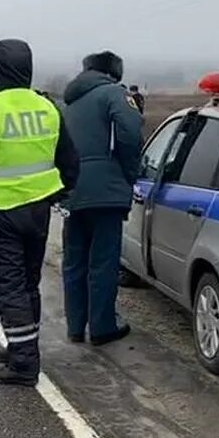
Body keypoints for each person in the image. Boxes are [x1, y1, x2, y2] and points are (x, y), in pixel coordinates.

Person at [0, 39, 79, 387]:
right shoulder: (47, 106)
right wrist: (59, 192)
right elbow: (69, 160)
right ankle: (22, 345)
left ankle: (23, 363)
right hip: (39, 210)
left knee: (8, 286)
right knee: (28, 282)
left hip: (2, 208)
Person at [61, 51, 143, 346]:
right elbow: (130, 133)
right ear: (113, 70)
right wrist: (128, 173)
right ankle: (102, 327)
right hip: (106, 190)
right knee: (103, 261)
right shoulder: (114, 95)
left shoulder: (69, 103)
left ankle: (75, 326)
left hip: (72, 190)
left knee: (74, 260)